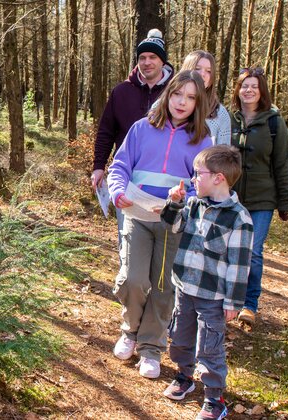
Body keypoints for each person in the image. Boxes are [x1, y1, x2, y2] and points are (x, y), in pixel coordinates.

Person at [106, 71, 211, 378]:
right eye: (177, 94)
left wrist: (184, 197)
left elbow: (202, 186)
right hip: (137, 215)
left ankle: (151, 348)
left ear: (198, 103)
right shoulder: (142, 128)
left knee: (164, 286)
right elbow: (120, 166)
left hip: (172, 222)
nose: (182, 102)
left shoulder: (202, 139)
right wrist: (118, 192)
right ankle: (130, 331)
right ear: (168, 94)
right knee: (134, 280)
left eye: (191, 98)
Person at [158, 145, 254, 420]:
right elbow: (172, 225)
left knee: (209, 347)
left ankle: (214, 397)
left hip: (213, 297)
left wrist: (233, 302)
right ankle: (184, 376)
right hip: (185, 288)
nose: (193, 179)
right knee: (179, 337)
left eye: (198, 174)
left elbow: (239, 265)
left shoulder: (239, 219)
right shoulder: (193, 204)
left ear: (218, 178)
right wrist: (175, 202)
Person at [91, 28, 175, 238]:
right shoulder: (122, 92)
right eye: (142, 58)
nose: (147, 62)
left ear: (163, 61)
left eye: (153, 57)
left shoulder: (175, 92)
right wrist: (99, 166)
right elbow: (106, 131)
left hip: (164, 183)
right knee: (128, 238)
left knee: (164, 243)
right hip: (127, 178)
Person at [229, 67, 288, 326]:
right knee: (228, 250)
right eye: (244, 86)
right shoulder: (229, 120)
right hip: (231, 197)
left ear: (262, 91)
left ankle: (249, 304)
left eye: (254, 86)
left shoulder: (273, 122)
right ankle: (228, 301)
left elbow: (283, 163)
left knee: (253, 251)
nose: (248, 90)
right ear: (238, 90)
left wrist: (285, 201)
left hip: (262, 200)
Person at [153, 50, 231, 145]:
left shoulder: (220, 113)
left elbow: (224, 150)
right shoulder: (161, 105)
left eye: (209, 71)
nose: (202, 74)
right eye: (197, 68)